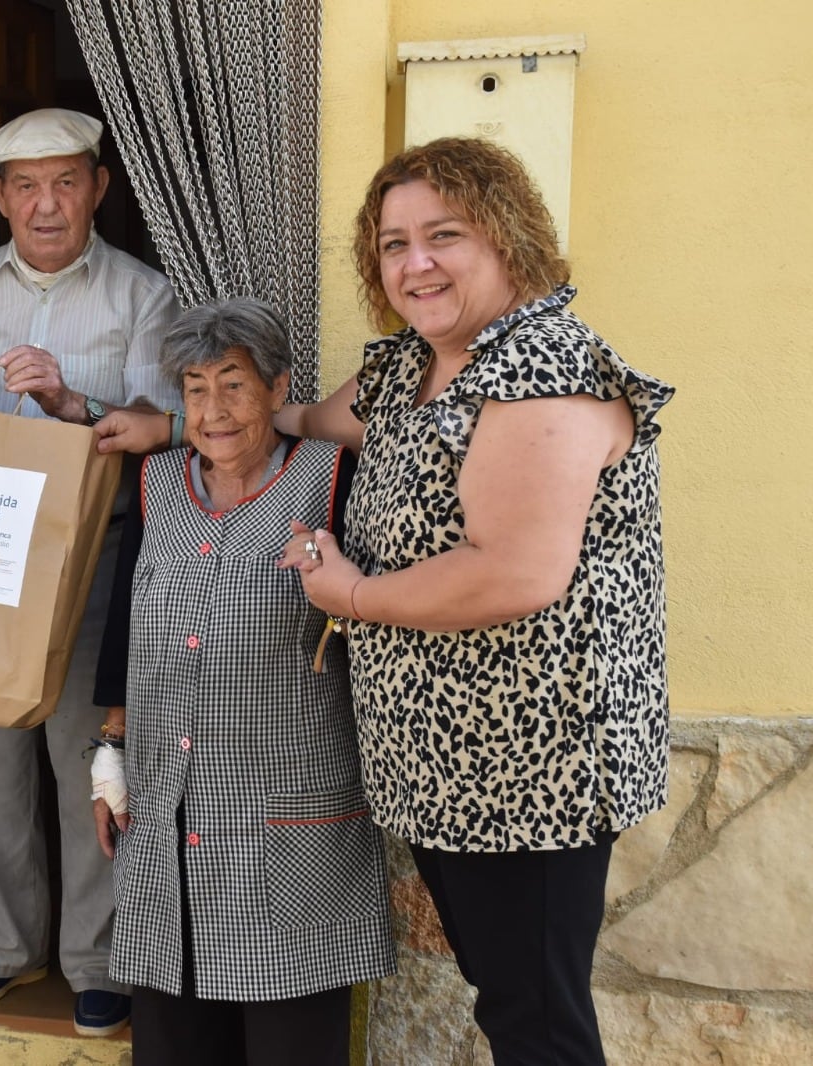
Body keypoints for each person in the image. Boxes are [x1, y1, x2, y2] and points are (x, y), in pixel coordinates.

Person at [269, 138, 672, 1064]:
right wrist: (200, 422)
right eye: (392, 243)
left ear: (508, 237)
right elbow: (314, 420)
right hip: (447, 766)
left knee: (537, 1022)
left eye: (443, 235)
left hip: (534, 764)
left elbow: (515, 571)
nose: (416, 264)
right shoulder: (414, 367)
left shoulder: (543, 368)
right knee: (510, 1000)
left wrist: (352, 593)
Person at [0, 106, 179, 1036]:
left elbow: (171, 428)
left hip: (93, 552)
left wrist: (68, 399)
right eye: (26, 186)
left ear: (98, 188)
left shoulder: (142, 295)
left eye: (65, 182)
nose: (46, 204)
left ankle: (99, 959)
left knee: (86, 753)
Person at [87, 299, 393, 1065]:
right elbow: (127, 625)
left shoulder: (332, 479)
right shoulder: (159, 484)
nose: (213, 410)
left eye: (234, 385)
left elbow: (383, 622)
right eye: (194, 389)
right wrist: (108, 754)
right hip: (167, 828)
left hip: (290, 832)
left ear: (278, 389)